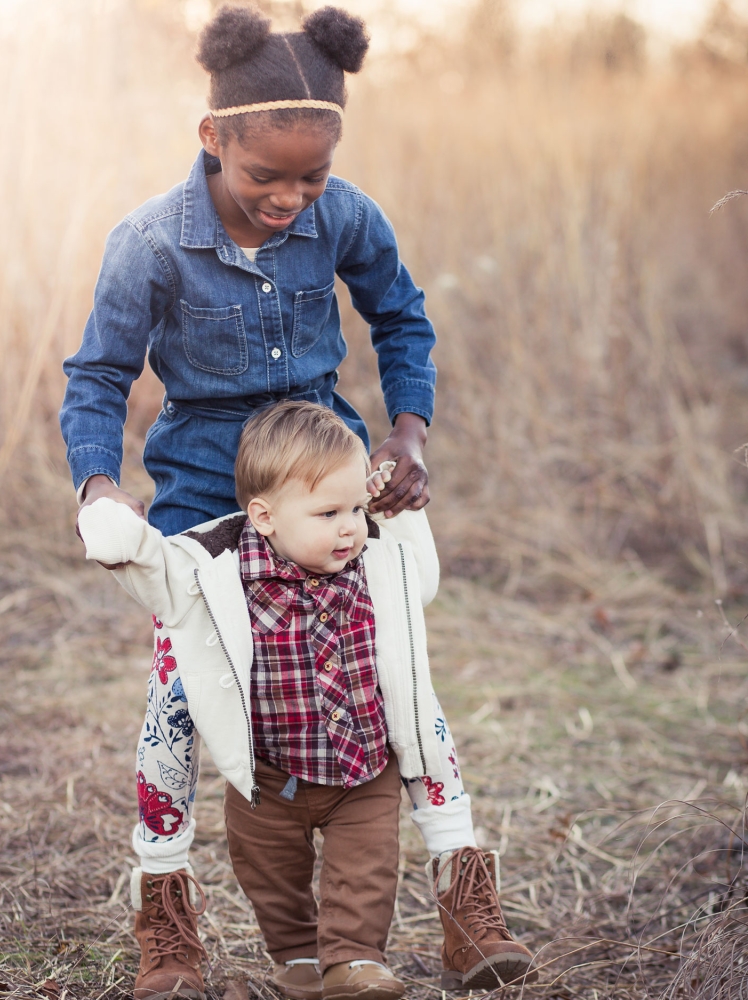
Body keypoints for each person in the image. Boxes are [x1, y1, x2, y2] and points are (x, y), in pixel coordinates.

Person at [60, 7, 535, 999]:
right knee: (183, 697)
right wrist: (101, 488)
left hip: (331, 482)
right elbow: (98, 376)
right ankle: (166, 925)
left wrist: (407, 434)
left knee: (400, 680)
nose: (289, 198)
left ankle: (466, 905)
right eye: (264, 177)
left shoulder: (347, 216)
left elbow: (401, 316)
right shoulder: (150, 242)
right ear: (212, 138)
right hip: (205, 496)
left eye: (311, 176)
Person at [78, 403, 536, 1000]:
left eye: (355, 510)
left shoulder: (378, 560)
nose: (349, 528)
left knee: (365, 872)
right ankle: (296, 959)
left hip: (363, 771)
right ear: (264, 517)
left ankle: (354, 960)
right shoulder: (215, 570)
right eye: (328, 514)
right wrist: (111, 523)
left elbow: (420, 575)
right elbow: (150, 569)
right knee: (273, 879)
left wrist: (396, 505)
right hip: (269, 779)